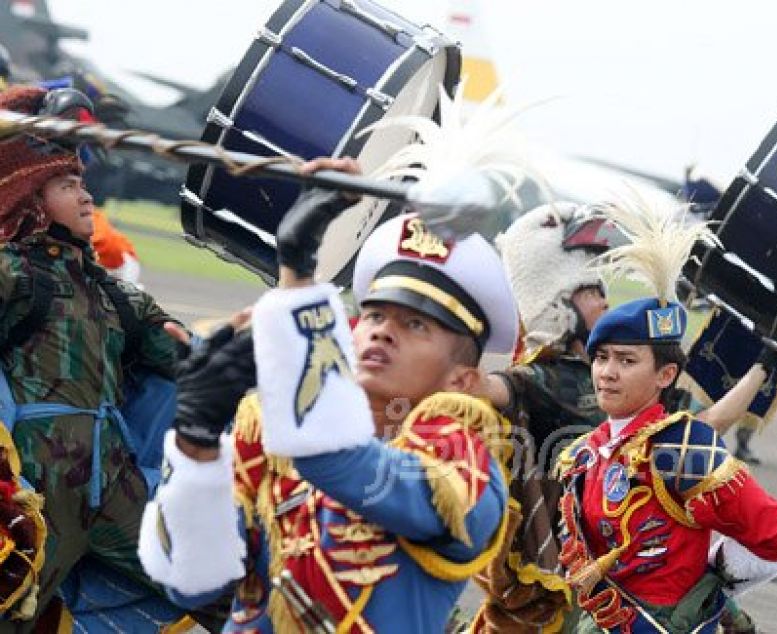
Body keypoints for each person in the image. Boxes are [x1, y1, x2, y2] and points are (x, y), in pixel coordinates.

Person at [139, 157, 519, 633]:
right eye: (375, 316)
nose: (381, 333)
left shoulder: (466, 468)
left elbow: (334, 459)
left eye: (415, 324)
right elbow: (191, 582)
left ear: (462, 380)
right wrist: (196, 442)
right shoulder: (272, 437)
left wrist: (297, 276)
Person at [473, 201, 777, 633]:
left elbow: (706, 436)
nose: (607, 371)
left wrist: (715, 583)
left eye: (625, 360)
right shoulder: (550, 401)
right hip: (550, 578)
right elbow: (482, 388)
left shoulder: (675, 442)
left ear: (662, 374)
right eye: (603, 357)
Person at [0, 85, 182, 628]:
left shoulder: (113, 293)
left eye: (83, 182)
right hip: (42, 493)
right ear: (30, 197)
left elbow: (183, 357)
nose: (86, 198)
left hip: (115, 488)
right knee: (13, 610)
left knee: (214, 585)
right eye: (67, 183)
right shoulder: (12, 271)